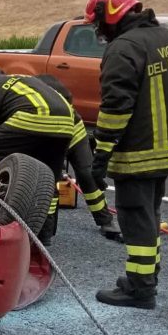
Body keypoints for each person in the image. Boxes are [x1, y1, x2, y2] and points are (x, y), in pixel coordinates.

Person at [85, 0, 168, 309]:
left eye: (98, 21)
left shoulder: (123, 49)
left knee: (135, 217)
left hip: (140, 153)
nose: (98, 29)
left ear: (111, 14)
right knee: (151, 212)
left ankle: (140, 288)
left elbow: (116, 108)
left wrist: (101, 153)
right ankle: (149, 274)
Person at [0, 66, 75, 245]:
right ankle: (44, 234)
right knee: (50, 178)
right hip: (67, 123)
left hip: (34, 117)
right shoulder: (14, 80)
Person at [36, 74, 122, 241]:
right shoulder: (25, 103)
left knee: (87, 174)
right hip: (47, 131)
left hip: (72, 127)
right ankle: (45, 232)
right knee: (48, 179)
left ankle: (105, 221)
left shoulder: (54, 93)